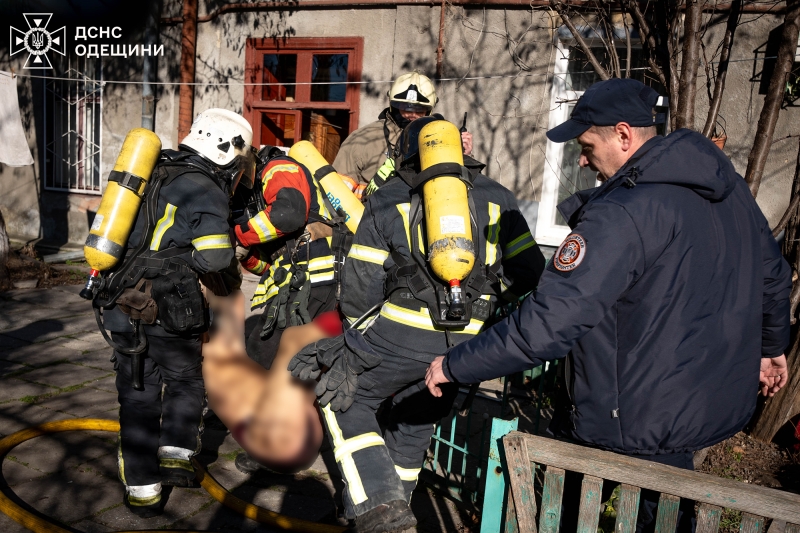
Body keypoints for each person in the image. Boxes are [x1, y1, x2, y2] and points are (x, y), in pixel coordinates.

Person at [425, 79, 792, 530]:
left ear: (623, 135)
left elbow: (548, 324)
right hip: (697, 411)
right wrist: (772, 347)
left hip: (630, 420)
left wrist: (455, 365)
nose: (582, 159)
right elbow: (772, 274)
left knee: (568, 512)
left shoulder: (622, 212)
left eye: (587, 144)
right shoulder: (725, 189)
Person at [291, 116, 546, 533]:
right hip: (465, 347)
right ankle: (396, 513)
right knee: (415, 422)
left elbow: (359, 285)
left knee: (344, 401)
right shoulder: (500, 196)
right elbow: (532, 274)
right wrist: (485, 314)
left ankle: (380, 507)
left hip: (397, 331)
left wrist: (355, 343)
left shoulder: (390, 196)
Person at [101, 109, 255, 517]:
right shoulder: (204, 187)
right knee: (185, 380)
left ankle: (142, 495)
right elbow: (215, 255)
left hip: (120, 303)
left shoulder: (151, 171)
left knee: (137, 398)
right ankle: (175, 456)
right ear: (227, 152)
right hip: (171, 308)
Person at [332, 71, 473, 198]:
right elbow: (336, 197)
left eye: (419, 109)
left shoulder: (440, 139)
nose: (412, 115)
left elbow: (457, 188)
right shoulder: (362, 140)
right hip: (369, 223)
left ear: (429, 111)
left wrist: (464, 155)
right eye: (405, 108)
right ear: (394, 106)